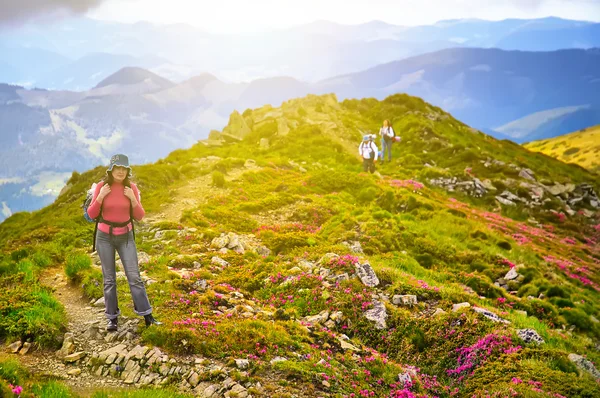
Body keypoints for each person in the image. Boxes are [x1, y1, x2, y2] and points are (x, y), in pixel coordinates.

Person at [86, 154, 161, 331]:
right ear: (111, 170)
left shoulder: (132, 188)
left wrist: (133, 199)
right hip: (104, 237)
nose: (120, 171)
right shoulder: (102, 187)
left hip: (126, 237)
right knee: (109, 279)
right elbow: (91, 214)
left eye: (123, 169)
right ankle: (112, 318)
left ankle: (147, 316)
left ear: (127, 171)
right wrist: (100, 197)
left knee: (134, 277)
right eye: (117, 168)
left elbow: (140, 216)